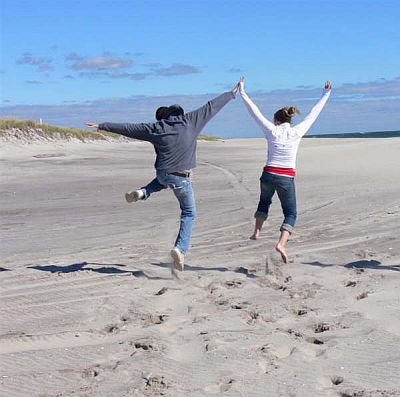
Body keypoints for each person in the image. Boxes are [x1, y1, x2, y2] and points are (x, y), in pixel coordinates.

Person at [85, 83, 239, 271]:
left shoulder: (158, 127)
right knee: (189, 213)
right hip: (181, 177)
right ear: (181, 114)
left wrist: (102, 125)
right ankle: (180, 249)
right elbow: (211, 106)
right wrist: (231, 93)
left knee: (161, 182)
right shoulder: (191, 121)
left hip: (163, 173)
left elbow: (130, 128)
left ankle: (142, 192)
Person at [238, 77, 331, 263]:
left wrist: (242, 91)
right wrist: (326, 93)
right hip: (285, 177)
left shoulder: (271, 130)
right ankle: (281, 244)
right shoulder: (297, 131)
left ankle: (257, 232)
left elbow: (254, 111)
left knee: (264, 202)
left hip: (268, 173)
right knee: (290, 213)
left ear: (277, 120)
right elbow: (313, 114)